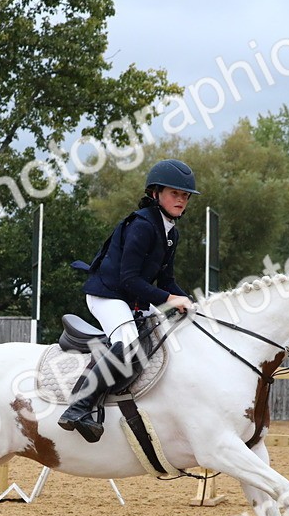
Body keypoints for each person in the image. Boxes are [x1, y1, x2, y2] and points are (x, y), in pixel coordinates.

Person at [58, 159, 199, 442]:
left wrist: (190, 303)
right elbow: (129, 279)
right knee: (129, 343)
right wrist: (170, 299)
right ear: (155, 193)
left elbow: (166, 282)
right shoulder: (143, 225)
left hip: (132, 297)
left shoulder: (171, 231)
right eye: (175, 193)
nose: (181, 200)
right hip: (107, 295)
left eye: (184, 196)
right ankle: (78, 407)